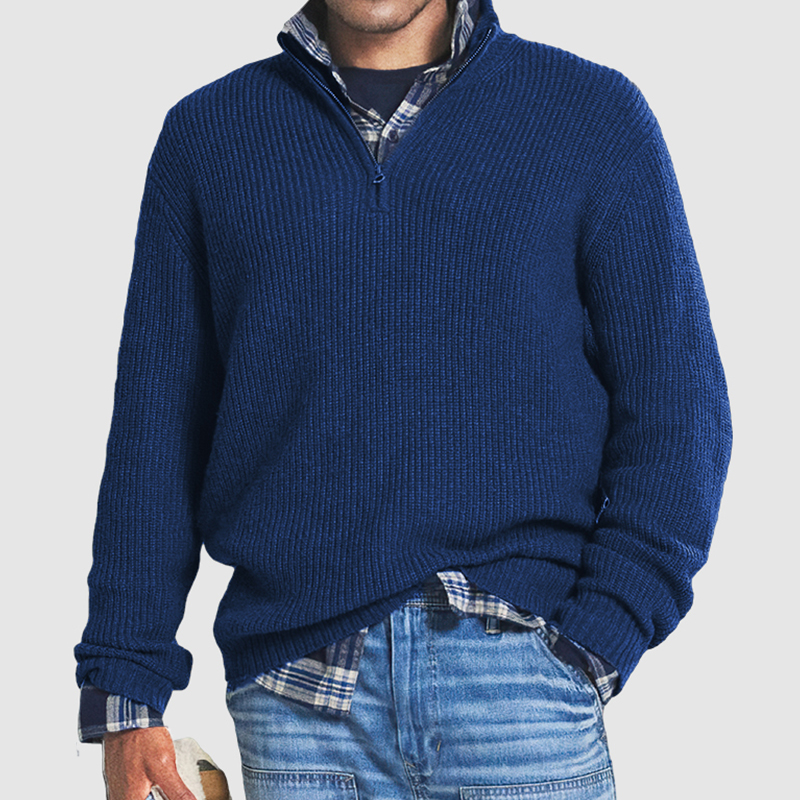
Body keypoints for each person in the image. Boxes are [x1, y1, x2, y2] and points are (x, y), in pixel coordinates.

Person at [74, 1, 733, 798]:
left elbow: (680, 412)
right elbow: (156, 432)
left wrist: (598, 639)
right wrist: (124, 695)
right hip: (298, 696)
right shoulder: (208, 136)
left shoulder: (591, 116)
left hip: (521, 683)